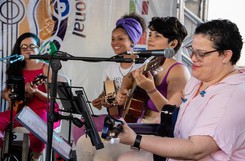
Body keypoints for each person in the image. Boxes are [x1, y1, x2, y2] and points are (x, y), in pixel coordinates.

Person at [117, 19, 245, 161]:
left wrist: (136, 139)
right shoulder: (198, 79)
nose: (193, 58)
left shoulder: (233, 97)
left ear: (226, 56)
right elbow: (178, 99)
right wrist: (159, 120)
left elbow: (195, 150)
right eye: (191, 51)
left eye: (201, 54)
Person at [74, 13, 146, 161]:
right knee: (81, 126)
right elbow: (109, 93)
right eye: (113, 39)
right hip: (114, 116)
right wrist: (101, 100)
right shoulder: (111, 67)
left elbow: (142, 97)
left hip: (134, 118)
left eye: (121, 39)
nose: (115, 43)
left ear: (133, 41)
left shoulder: (141, 66)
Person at [116, 16, 190, 123]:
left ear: (172, 43)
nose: (150, 39)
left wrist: (151, 89)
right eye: (150, 35)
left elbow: (173, 113)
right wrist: (123, 89)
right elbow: (129, 76)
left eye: (157, 36)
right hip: (140, 122)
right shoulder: (154, 62)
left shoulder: (178, 71)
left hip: (157, 129)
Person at [0, 32, 60, 161]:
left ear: (38, 48)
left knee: (38, 127)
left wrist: (36, 92)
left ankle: (35, 156)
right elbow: (5, 92)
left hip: (44, 109)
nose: (28, 49)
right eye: (24, 47)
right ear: (19, 50)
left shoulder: (46, 69)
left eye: (32, 46)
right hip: (19, 110)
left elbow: (53, 97)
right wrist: (6, 95)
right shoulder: (16, 68)